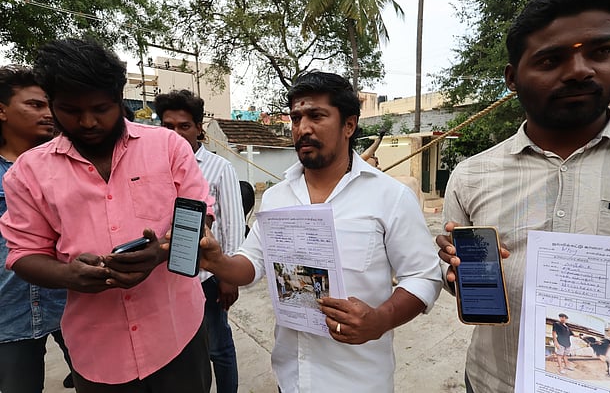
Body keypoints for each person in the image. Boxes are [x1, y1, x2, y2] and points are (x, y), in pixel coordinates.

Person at [436, 0, 610, 392]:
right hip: (494, 381)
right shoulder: (472, 175)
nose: (580, 70)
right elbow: (452, 275)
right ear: (513, 78)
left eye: (601, 51)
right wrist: (456, 274)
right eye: (551, 59)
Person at [192, 70, 443, 392]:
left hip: (359, 382)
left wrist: (380, 320)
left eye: (316, 116)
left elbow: (423, 276)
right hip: (290, 379)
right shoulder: (277, 197)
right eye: (296, 118)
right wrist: (217, 262)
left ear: (348, 125)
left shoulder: (390, 197)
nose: (303, 128)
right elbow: (251, 262)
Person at [0, 38, 213, 393]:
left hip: (178, 335)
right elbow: (23, 255)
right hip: (97, 351)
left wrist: (159, 254)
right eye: (70, 110)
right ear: (52, 103)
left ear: (118, 97)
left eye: (100, 108)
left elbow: (201, 219)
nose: (87, 122)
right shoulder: (26, 174)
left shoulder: (168, 147)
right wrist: (68, 274)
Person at [156, 89, 244, 393]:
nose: (176, 133)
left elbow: (232, 224)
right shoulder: (153, 166)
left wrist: (228, 276)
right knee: (180, 348)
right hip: (165, 277)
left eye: (184, 126)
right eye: (168, 126)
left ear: (198, 128)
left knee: (218, 346)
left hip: (206, 278)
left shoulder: (219, 168)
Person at [0, 65, 74, 392]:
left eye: (49, 105)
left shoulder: (70, 165)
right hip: (8, 313)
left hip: (70, 300)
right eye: (35, 104)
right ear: (2, 111)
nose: (47, 113)